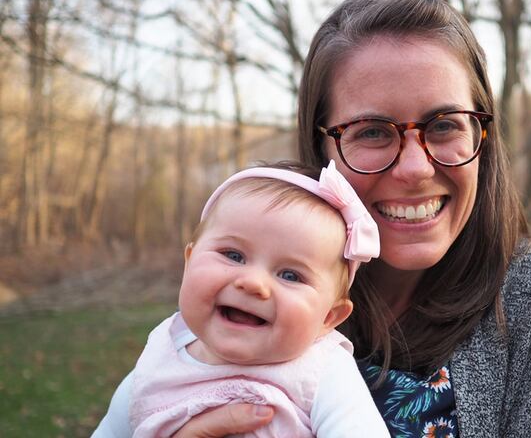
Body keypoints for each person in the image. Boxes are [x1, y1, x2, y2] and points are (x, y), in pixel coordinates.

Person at [175, 0, 531, 436]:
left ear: (481, 135)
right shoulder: (244, 278)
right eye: (373, 132)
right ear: (322, 148)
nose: (416, 169)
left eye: (444, 124)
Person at [92, 161, 390, 437]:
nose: (252, 283)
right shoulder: (156, 362)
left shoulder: (323, 372)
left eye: (290, 275)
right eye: (233, 256)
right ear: (190, 260)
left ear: (329, 318)